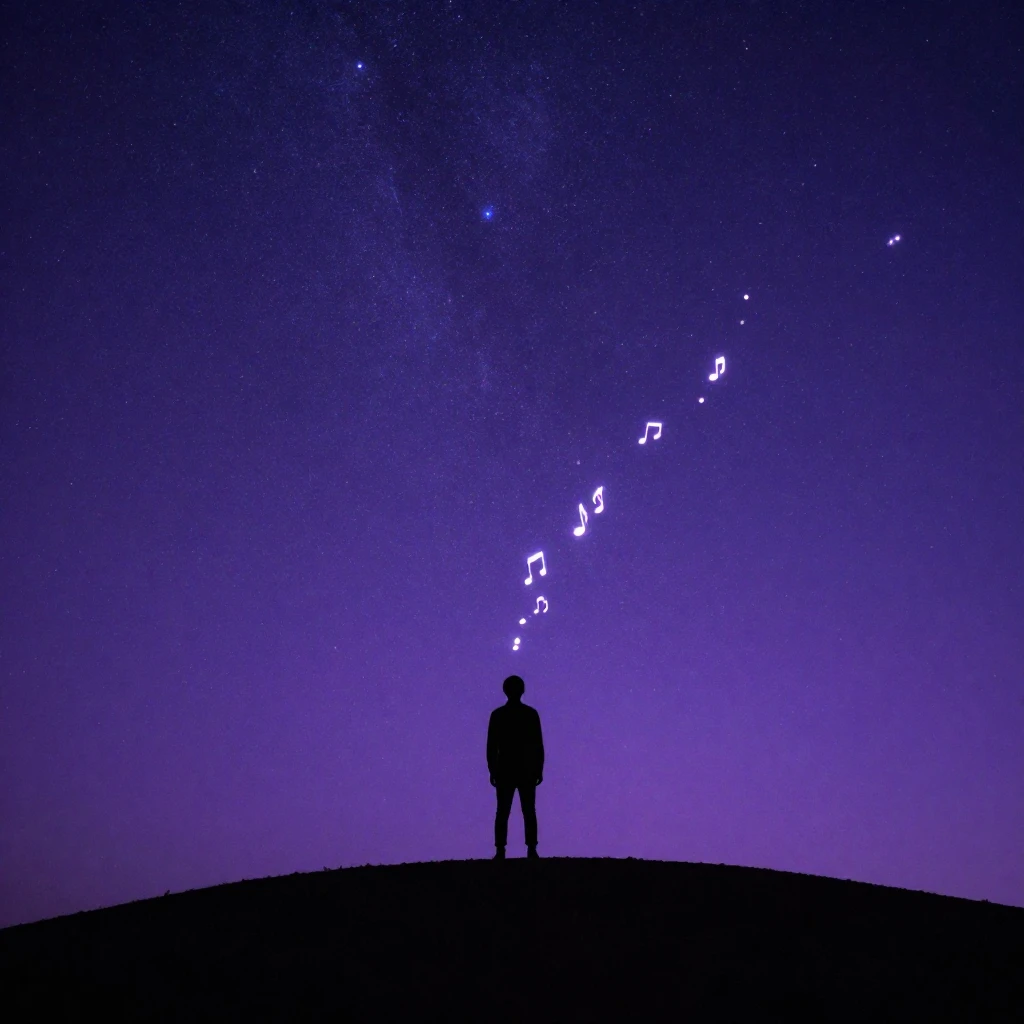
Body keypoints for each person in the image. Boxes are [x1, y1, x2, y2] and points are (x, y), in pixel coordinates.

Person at [487, 675, 544, 860]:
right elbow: (538, 744)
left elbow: (491, 746)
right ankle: (530, 849)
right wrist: (538, 768)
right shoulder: (530, 714)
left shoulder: (498, 715)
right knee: (527, 810)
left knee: (504, 811)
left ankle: (501, 850)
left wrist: (492, 769)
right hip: (524, 768)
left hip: (506, 768)